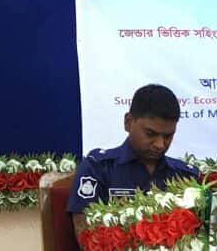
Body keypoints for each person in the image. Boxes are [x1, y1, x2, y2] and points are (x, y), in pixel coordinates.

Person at [67, 84, 199, 245]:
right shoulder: (98, 168)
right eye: (150, 134)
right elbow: (86, 237)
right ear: (128, 122)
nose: (160, 144)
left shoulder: (186, 176)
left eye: (168, 136)